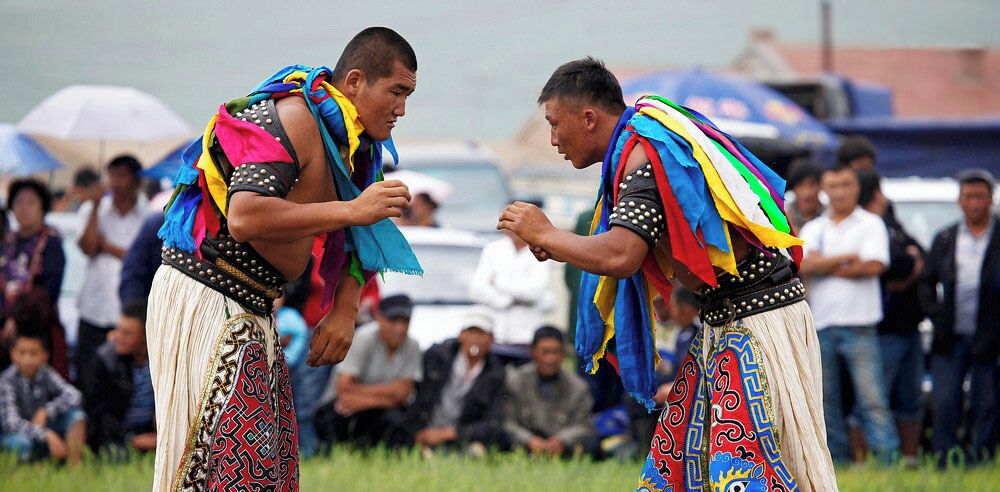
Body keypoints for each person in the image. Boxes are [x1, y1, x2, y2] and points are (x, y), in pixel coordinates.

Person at [498, 58, 836, 491]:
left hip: (756, 324)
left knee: (740, 469)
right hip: (729, 322)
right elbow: (633, 251)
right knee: (679, 461)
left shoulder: (645, 153)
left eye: (554, 124)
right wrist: (559, 244)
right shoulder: (641, 145)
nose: (553, 140)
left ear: (588, 118)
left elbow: (621, 255)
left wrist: (547, 232)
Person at [147, 27, 421, 490]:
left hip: (253, 307)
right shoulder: (292, 116)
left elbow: (363, 231)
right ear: (354, 81)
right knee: (221, 470)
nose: (402, 109)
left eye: (408, 95)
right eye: (396, 92)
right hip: (207, 299)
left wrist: (346, 309)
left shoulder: (355, 146)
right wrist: (351, 209)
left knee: (266, 472)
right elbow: (246, 215)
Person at [798, 166, 899, 464]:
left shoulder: (871, 224)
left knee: (873, 400)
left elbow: (874, 266)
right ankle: (835, 463)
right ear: (824, 190)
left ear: (857, 189)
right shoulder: (814, 227)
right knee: (825, 402)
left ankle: (887, 462)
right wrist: (846, 258)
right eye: (833, 186)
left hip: (860, 325)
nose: (839, 192)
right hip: (821, 325)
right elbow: (803, 266)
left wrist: (824, 264)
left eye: (845, 185)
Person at [921, 168, 999, 466]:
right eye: (969, 197)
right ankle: (944, 459)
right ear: (960, 201)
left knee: (986, 402)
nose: (975, 204)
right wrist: (936, 314)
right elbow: (926, 281)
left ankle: (981, 459)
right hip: (950, 335)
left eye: (981, 197)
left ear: (990, 199)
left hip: (989, 338)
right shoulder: (946, 237)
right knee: (945, 401)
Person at [857, 169, 925, 466]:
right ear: (873, 193)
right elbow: (895, 263)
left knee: (910, 397)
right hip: (884, 326)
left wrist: (911, 262)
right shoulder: (866, 226)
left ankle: (908, 459)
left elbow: (918, 252)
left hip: (910, 325)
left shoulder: (891, 220)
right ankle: (871, 460)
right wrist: (910, 264)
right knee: (874, 398)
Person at [75, 155, 147, 399]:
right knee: (88, 376)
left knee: (124, 383)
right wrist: (95, 206)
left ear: (136, 181)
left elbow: (137, 257)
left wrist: (107, 247)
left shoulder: (147, 214)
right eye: (112, 175)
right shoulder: (93, 210)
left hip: (128, 317)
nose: (115, 182)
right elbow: (87, 246)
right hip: (93, 310)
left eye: (122, 175)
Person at [388, 307, 506, 453]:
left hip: (458, 437)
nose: (475, 338)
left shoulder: (496, 374)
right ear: (461, 335)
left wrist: (449, 433)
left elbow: (492, 422)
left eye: (481, 334)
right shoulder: (436, 357)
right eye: (471, 332)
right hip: (423, 431)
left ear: (491, 339)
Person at [314, 294, 421, 448]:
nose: (399, 328)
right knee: (335, 414)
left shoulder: (412, 345)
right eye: (393, 321)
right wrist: (392, 391)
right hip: (346, 405)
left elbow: (404, 392)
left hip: (371, 406)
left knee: (400, 420)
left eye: (404, 322)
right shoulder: (362, 338)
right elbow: (342, 388)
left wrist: (366, 401)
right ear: (379, 318)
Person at [0, 180, 67, 377]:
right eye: (19, 202)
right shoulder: (6, 241)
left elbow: (48, 290)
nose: (24, 208)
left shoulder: (51, 243)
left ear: (42, 207)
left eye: (31, 202)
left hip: (35, 330)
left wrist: (17, 319)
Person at [503, 326, 595, 457]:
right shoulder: (515, 381)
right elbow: (506, 422)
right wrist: (529, 440)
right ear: (533, 351)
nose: (550, 359)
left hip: (563, 447)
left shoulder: (578, 387)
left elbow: (585, 425)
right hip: (524, 445)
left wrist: (561, 440)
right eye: (545, 352)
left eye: (556, 352)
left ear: (563, 353)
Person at [0, 324, 85, 465]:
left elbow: (74, 395)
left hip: (41, 428)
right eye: (22, 353)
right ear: (12, 354)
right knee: (21, 444)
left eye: (33, 353)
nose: (27, 359)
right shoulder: (6, 380)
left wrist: (47, 411)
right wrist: (46, 434)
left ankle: (74, 468)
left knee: (77, 416)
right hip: (16, 435)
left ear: (45, 356)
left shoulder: (45, 372)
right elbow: (11, 424)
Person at [628, 288, 699, 450]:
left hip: (691, 384)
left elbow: (697, 369)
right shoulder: (683, 332)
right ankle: (641, 444)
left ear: (686, 310)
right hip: (675, 379)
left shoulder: (698, 332)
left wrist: (676, 385)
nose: (671, 313)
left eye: (673, 308)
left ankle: (649, 446)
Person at [86, 302, 156, 455]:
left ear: (145, 336)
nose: (118, 337)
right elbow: (101, 414)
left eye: (127, 334)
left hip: (150, 432)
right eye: (118, 330)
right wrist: (132, 439)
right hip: (118, 435)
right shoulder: (105, 361)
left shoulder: (160, 360)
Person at [470, 224, 553, 348]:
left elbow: (534, 292)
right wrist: (503, 300)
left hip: (526, 336)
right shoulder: (493, 248)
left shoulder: (541, 251)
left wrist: (498, 282)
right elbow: (477, 289)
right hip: (494, 333)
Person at [785, 158, 826, 230]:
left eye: (812, 184)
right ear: (793, 188)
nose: (807, 192)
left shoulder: (829, 215)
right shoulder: (784, 218)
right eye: (800, 185)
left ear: (820, 186)